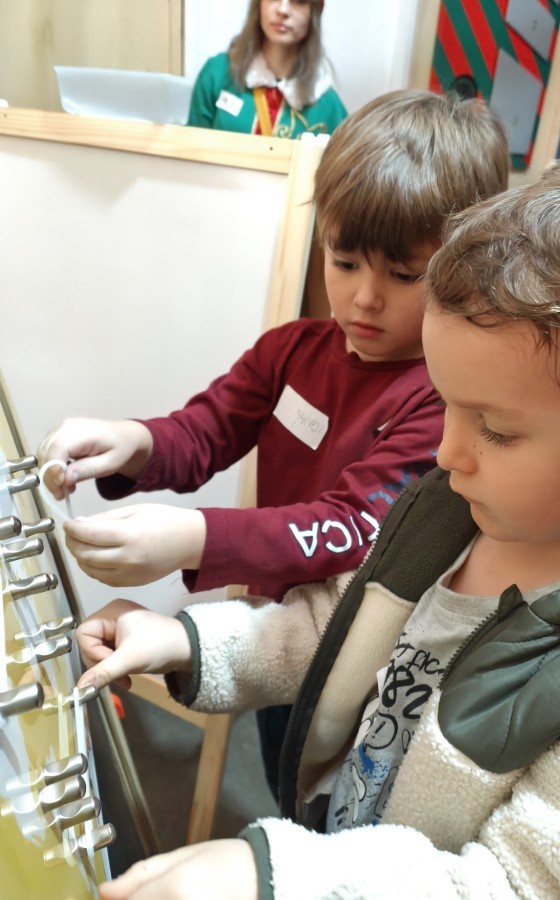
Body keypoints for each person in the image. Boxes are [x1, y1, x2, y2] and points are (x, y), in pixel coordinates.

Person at [74, 147, 560, 899]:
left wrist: (293, 878)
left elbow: (513, 886)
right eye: (447, 406)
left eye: (495, 429)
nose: (447, 454)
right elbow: (335, 626)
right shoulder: (451, 512)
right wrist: (186, 642)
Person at [38, 88, 510, 792]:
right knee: (276, 765)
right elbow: (206, 428)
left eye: (403, 274)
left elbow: (346, 526)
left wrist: (194, 537)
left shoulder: (439, 402)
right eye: (344, 261)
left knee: (326, 799)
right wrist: (131, 440)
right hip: (265, 630)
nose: (365, 297)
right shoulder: (291, 350)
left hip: (358, 661)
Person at [186, 0, 347, 137]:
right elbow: (190, 152)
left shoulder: (329, 107)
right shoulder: (217, 73)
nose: (283, 10)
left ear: (314, 12)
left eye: (298, 1)